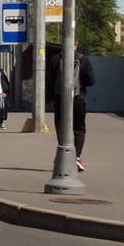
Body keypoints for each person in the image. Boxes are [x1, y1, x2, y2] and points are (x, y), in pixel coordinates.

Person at [50, 42, 96, 171]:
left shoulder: (54, 59)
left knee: (61, 127)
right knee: (79, 129)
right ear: (77, 43)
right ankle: (76, 157)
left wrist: (52, 99)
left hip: (59, 99)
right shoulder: (83, 59)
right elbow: (91, 81)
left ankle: (63, 153)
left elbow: (49, 81)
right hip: (77, 99)